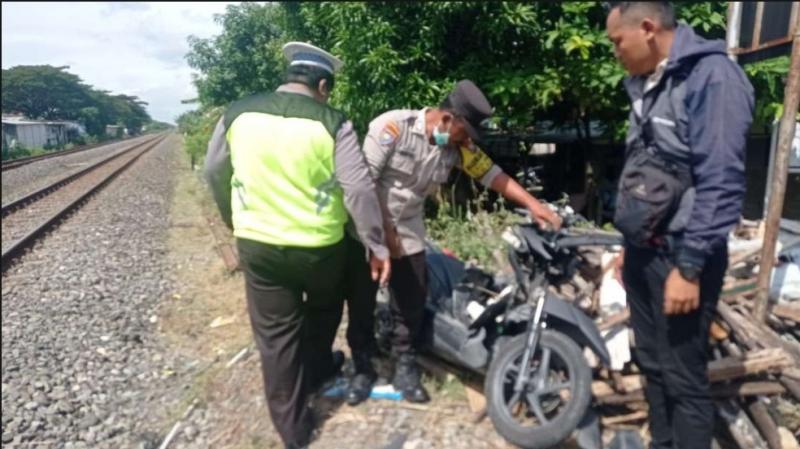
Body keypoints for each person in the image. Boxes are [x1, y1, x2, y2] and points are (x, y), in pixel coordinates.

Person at [204, 42, 391, 449]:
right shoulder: (332, 121)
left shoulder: (238, 112)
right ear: (322, 85)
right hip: (319, 248)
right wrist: (375, 245)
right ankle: (320, 367)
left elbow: (214, 170)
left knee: (275, 337)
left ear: (289, 76)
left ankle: (295, 430)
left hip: (259, 245)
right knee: (324, 309)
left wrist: (233, 220)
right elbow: (358, 189)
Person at [343, 79, 562, 405]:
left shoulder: (453, 146)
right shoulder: (391, 127)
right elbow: (364, 185)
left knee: (412, 296)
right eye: (465, 132)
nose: (467, 141)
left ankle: (405, 364)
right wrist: (384, 237)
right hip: (369, 224)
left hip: (409, 230)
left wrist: (534, 204)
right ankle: (362, 365)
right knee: (362, 297)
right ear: (448, 119)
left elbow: (493, 175)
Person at [605, 3, 754, 449]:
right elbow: (645, 170)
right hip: (645, 252)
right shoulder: (647, 81)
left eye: (617, 41)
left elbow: (722, 182)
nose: (615, 52)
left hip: (683, 255)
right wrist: (630, 244)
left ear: (647, 29)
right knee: (652, 362)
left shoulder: (713, 77)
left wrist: (689, 267)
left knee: (684, 376)